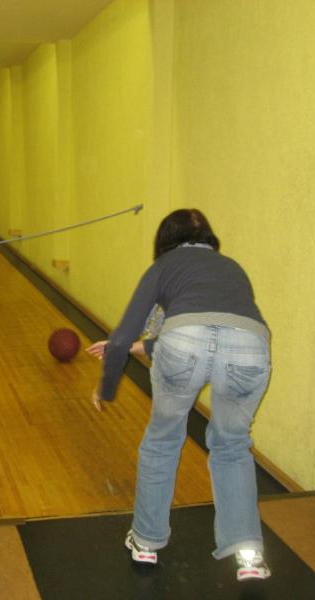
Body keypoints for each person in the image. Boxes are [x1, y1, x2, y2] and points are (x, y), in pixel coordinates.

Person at [86, 208, 272, 581]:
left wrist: (106, 388)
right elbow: (216, 330)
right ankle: (249, 555)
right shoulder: (231, 267)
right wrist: (139, 348)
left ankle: (146, 542)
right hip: (251, 346)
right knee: (233, 446)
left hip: (183, 344)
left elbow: (160, 335)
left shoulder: (164, 266)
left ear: (165, 240)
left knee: (163, 440)